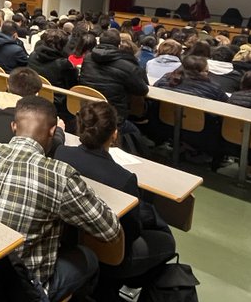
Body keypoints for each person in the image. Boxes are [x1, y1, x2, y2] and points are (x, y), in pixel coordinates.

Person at [0, 96, 120, 302]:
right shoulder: (59, 175)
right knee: (88, 257)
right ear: (52, 132)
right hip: (25, 291)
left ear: (13, 127)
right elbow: (110, 231)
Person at [53, 101, 176, 290]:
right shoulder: (124, 178)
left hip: (68, 241)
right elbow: (132, 232)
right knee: (167, 241)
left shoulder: (60, 153)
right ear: (115, 134)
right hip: (112, 254)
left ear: (79, 128)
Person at [0, 66, 65, 149]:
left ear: (8, 86)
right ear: (37, 94)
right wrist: (59, 131)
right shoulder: (31, 123)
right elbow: (54, 146)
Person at [79, 28, 149, 121]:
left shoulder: (87, 58)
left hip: (87, 110)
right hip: (113, 116)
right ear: (119, 45)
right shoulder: (127, 66)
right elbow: (142, 90)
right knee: (137, 133)